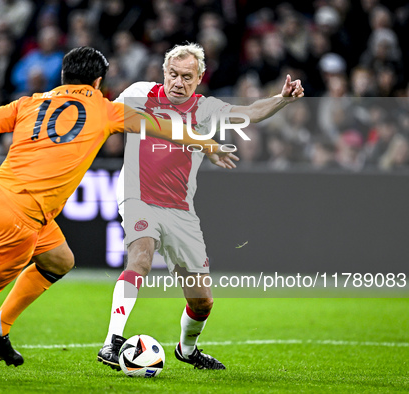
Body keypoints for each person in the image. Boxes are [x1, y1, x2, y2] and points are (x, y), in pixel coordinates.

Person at [0, 46, 238, 380]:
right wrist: (209, 145)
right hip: (19, 219)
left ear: (63, 77)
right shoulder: (106, 110)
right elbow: (165, 127)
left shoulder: (30, 103)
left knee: (59, 260)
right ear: (97, 81)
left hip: (0, 198)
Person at [97, 43, 304, 370]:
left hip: (179, 208)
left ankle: (188, 349)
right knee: (141, 257)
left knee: (202, 300)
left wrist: (282, 100)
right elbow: (102, 117)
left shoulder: (206, 109)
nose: (178, 83)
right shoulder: (139, 93)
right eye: (173, 75)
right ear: (164, 71)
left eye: (186, 77)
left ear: (199, 79)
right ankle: (112, 341)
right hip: (136, 194)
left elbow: (249, 113)